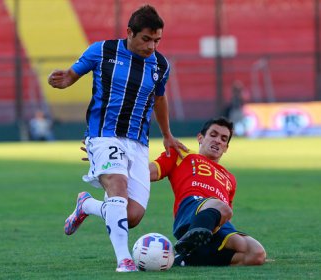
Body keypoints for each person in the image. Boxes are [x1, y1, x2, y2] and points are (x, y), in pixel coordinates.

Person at [48, 5, 186, 272]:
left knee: (131, 215)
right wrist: (66, 80)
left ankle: (86, 205)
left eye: (157, 40)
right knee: (117, 187)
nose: (151, 46)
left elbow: (159, 98)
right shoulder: (102, 51)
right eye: (146, 39)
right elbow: (72, 74)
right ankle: (124, 260)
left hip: (137, 143)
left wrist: (167, 134)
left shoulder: (160, 64)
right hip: (103, 135)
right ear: (130, 33)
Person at [149, 117, 266, 266]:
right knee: (222, 207)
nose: (218, 140)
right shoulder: (181, 154)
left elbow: (225, 216)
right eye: (213, 135)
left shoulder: (229, 178)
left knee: (256, 254)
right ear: (200, 138)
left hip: (217, 221)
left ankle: (186, 258)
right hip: (191, 208)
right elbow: (148, 172)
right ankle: (189, 239)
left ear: (226, 148)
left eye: (224, 139)